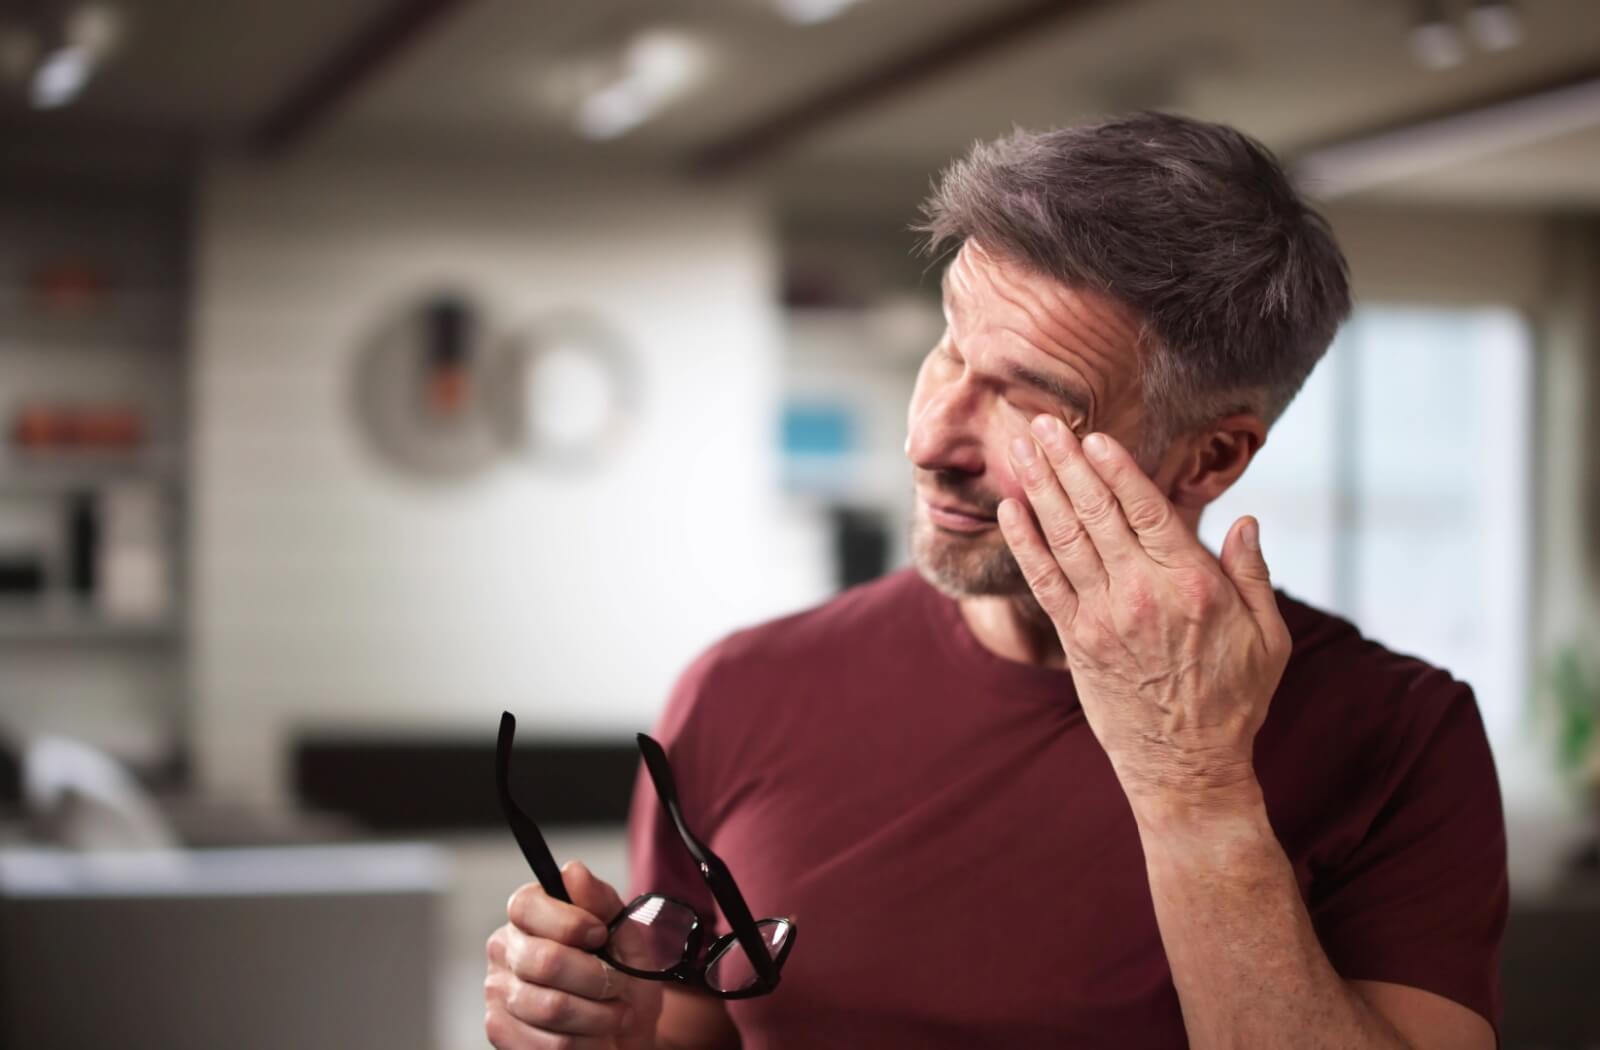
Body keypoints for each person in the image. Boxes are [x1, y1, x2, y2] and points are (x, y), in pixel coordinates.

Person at [484, 112, 1507, 1050]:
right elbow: (700, 1027)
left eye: (1031, 401)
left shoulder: (1400, 733)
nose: (930, 438)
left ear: (1210, 458)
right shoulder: (742, 685)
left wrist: (1192, 786)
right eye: (948, 347)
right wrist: (605, 1027)